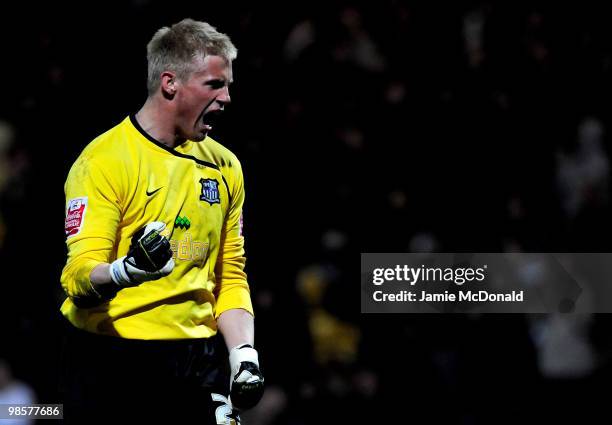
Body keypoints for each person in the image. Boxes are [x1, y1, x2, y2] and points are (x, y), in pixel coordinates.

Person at [59, 18, 263, 423]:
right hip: (112, 359)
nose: (226, 98)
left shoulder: (226, 167)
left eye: (228, 86)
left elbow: (231, 275)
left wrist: (244, 356)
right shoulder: (103, 161)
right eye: (214, 85)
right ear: (170, 83)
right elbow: (77, 276)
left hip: (197, 361)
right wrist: (126, 272)